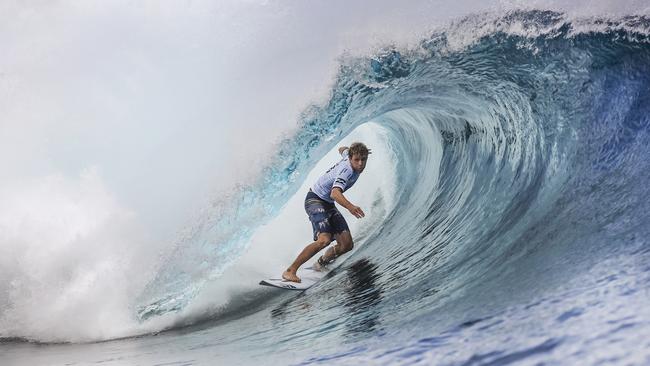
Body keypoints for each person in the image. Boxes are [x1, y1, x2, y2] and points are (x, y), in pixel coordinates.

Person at [282, 142, 371, 283]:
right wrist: (350, 207)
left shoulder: (348, 156)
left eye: (363, 159)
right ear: (350, 159)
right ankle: (290, 271)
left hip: (327, 203)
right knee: (324, 240)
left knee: (347, 245)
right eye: (357, 160)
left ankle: (321, 263)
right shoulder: (347, 170)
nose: (360, 163)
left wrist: (350, 151)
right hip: (315, 200)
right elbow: (335, 193)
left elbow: (342, 149)